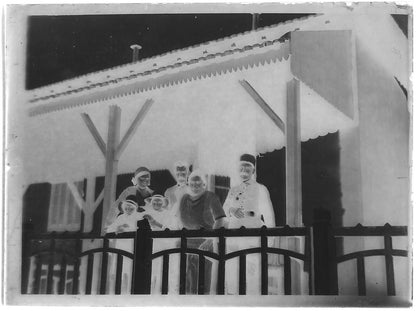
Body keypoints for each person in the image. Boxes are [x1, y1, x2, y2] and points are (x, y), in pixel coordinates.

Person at [223, 153, 277, 295]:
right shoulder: (233, 189)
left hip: (253, 236)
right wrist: (232, 210)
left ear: (253, 171)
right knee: (233, 271)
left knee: (252, 273)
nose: (244, 171)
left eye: (248, 168)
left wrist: (270, 239)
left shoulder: (260, 189)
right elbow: (224, 211)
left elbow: (269, 214)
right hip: (234, 236)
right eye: (241, 168)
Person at [178, 169, 227, 294]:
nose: (195, 187)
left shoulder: (210, 197)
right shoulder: (184, 198)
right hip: (186, 244)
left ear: (204, 185)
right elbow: (177, 220)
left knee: (202, 281)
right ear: (188, 184)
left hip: (205, 244)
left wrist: (210, 239)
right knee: (186, 283)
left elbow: (221, 220)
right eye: (192, 184)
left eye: (198, 184)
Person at [142, 194, 180, 294]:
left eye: (159, 201)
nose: (157, 203)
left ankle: (166, 292)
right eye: (154, 201)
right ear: (151, 202)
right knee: (152, 268)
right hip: (151, 244)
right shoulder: (146, 213)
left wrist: (154, 222)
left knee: (164, 267)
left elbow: (170, 228)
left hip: (165, 244)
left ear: (163, 203)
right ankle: (151, 292)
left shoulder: (168, 214)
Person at [106, 196, 143, 294]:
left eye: (131, 207)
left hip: (132, 246)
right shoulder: (121, 217)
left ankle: (130, 293)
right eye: (126, 207)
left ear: (135, 207)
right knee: (119, 270)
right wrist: (118, 228)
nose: (128, 209)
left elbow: (140, 229)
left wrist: (126, 229)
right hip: (121, 246)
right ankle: (117, 293)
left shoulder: (139, 216)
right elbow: (110, 229)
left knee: (131, 270)